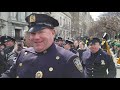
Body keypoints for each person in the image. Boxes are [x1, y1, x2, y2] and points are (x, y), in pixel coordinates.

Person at [1, 13, 84, 78]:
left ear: (53, 33)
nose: (36, 37)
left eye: (41, 32)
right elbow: (9, 75)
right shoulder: (23, 54)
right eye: (33, 33)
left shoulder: (68, 59)